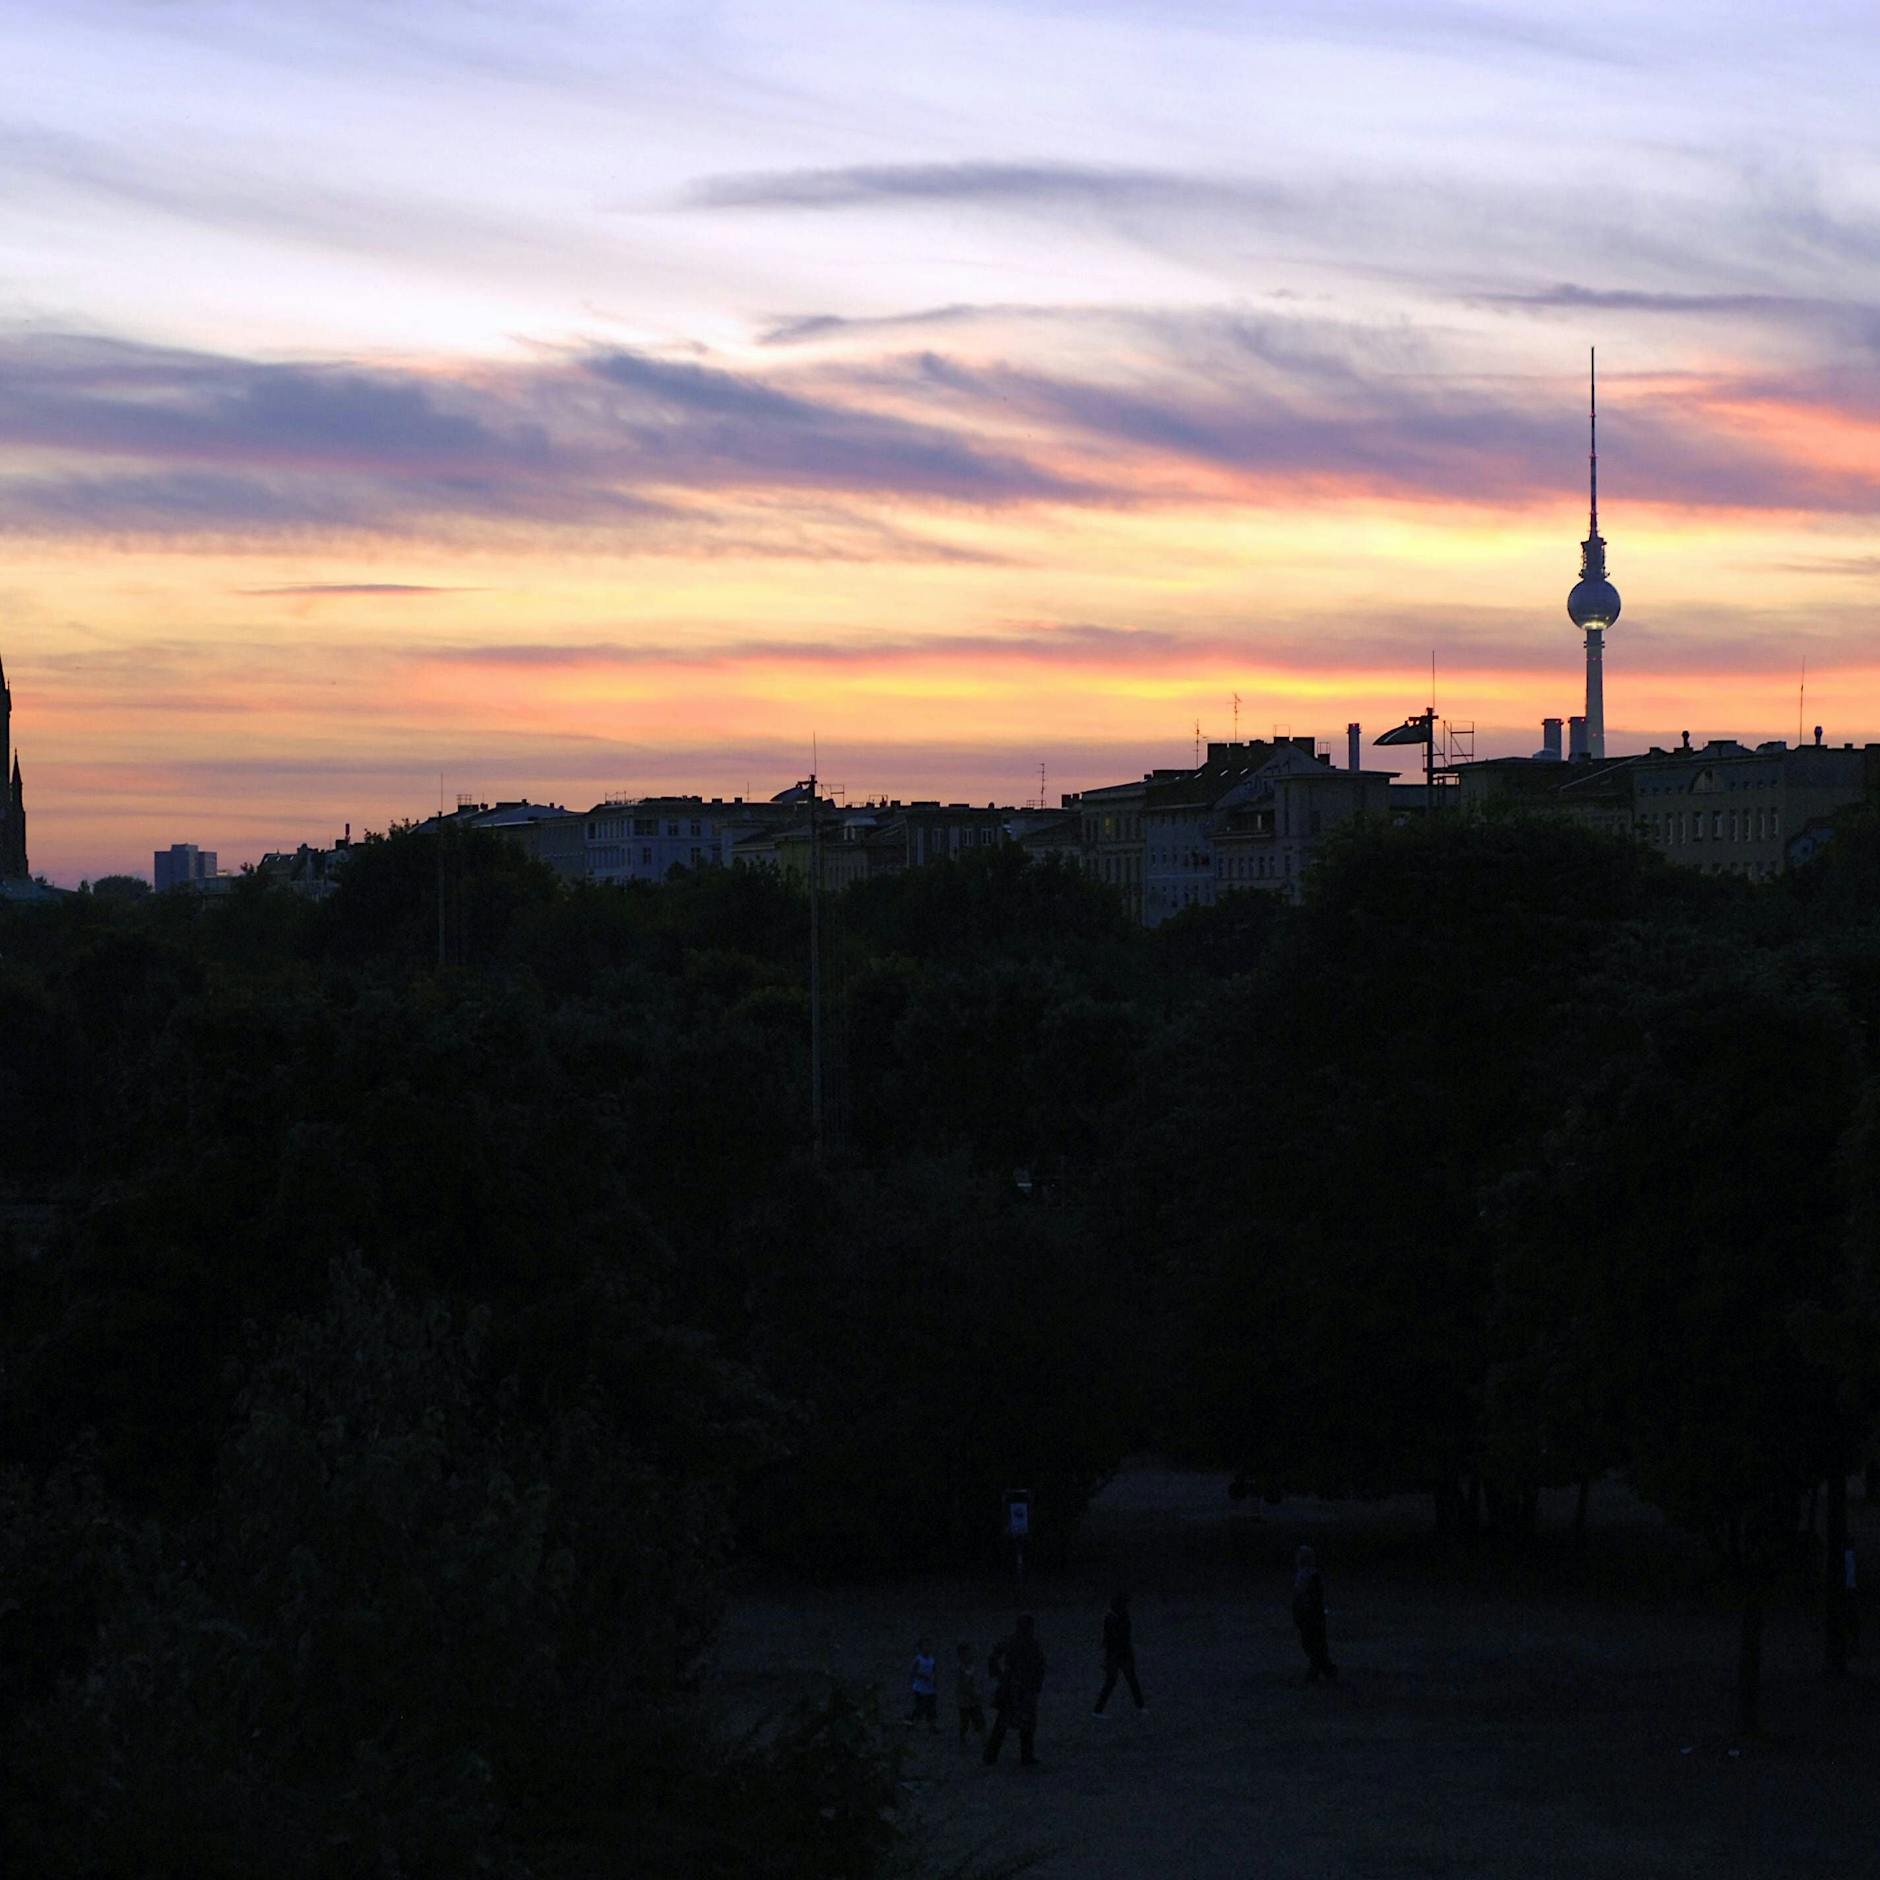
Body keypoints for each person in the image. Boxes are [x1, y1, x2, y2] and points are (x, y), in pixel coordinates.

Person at [983, 1613, 1046, 1767]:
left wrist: (1000, 1676)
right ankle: (1023, 1756)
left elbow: (993, 1658)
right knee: (1018, 1723)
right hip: (1019, 1687)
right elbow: (1040, 1666)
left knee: (1008, 1723)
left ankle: (993, 1756)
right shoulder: (1027, 1643)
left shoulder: (1016, 1641)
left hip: (1015, 1686)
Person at [1093, 1589, 1146, 1713]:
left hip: (1119, 1653)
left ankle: (1140, 1706)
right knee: (1119, 1681)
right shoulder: (1114, 1617)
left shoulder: (1116, 1616)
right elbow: (1115, 1637)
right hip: (1117, 1653)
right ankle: (1098, 1710)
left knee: (1125, 1680)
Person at [1291, 1545, 1337, 1683]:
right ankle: (1327, 1669)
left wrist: (1306, 1609)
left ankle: (1319, 1671)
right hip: (1309, 1614)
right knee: (1313, 1643)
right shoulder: (1305, 1575)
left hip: (1311, 1615)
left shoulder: (1310, 1576)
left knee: (1313, 1643)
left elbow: (1312, 1597)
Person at [955, 1640, 987, 1745]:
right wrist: (975, 1694)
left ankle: (984, 1740)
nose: (969, 1656)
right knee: (965, 1723)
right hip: (965, 1702)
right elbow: (964, 1686)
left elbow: (977, 1680)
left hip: (973, 1701)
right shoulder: (960, 1669)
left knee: (980, 1720)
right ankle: (962, 1738)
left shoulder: (972, 1667)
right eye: (966, 1654)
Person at [906, 1636, 939, 1732]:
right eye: (925, 1646)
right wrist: (922, 1677)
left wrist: (935, 1681)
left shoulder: (932, 1659)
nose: (928, 1648)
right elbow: (913, 1672)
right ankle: (912, 1724)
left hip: (930, 1688)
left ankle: (932, 1726)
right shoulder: (918, 1659)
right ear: (920, 1647)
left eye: (929, 1645)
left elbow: (934, 1670)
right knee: (919, 1708)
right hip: (920, 1689)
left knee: (931, 1708)